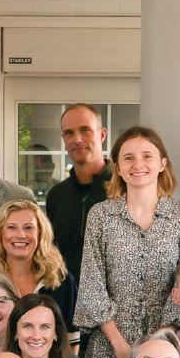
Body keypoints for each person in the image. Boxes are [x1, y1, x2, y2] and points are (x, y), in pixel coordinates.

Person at [76, 126, 180, 358]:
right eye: (128, 158)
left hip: (165, 348)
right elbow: (92, 283)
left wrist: (158, 345)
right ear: (118, 168)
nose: (138, 164)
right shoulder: (101, 216)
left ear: (162, 163)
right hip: (110, 347)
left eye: (147, 156)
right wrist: (121, 347)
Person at [0, 199, 78, 341]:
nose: (21, 235)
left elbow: (71, 340)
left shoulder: (62, 281)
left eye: (28, 227)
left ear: (40, 233)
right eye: (12, 227)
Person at [45, 103, 111, 284]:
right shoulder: (56, 195)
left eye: (85, 130)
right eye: (69, 133)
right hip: (66, 296)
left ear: (102, 134)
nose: (77, 139)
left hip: (115, 298)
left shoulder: (125, 189)